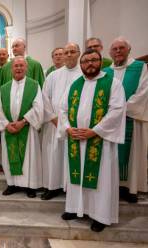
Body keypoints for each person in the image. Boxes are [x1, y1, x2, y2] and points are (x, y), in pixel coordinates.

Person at [58, 48, 126, 232]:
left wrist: (94, 131)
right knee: (76, 177)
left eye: (93, 60)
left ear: (100, 61)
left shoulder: (112, 83)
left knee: (101, 179)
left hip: (99, 141)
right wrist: (67, 128)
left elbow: (117, 111)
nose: (89, 64)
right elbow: (62, 109)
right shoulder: (74, 84)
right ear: (81, 64)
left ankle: (100, 215)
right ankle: (74, 208)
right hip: (76, 140)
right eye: (85, 61)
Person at [105, 37, 148, 203]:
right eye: (114, 49)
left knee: (133, 154)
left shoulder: (140, 67)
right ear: (110, 53)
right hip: (111, 122)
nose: (117, 51)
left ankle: (131, 188)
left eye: (121, 48)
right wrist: (112, 113)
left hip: (131, 118)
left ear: (128, 50)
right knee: (112, 154)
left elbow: (143, 92)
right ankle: (113, 186)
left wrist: (120, 109)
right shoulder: (107, 72)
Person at [0, 56, 43, 198]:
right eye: (16, 66)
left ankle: (31, 186)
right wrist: (6, 124)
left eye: (21, 66)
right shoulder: (4, 88)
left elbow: (38, 107)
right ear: (11, 69)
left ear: (26, 68)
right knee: (9, 157)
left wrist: (24, 121)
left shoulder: (34, 85)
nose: (19, 68)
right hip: (9, 129)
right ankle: (12, 184)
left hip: (27, 129)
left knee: (30, 158)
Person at [41, 42, 82, 200]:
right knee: (54, 156)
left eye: (73, 51)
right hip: (55, 124)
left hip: (75, 126)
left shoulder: (83, 74)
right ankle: (52, 187)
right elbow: (45, 98)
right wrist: (53, 118)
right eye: (66, 52)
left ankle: (71, 187)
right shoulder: (53, 75)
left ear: (79, 54)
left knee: (71, 156)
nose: (69, 55)